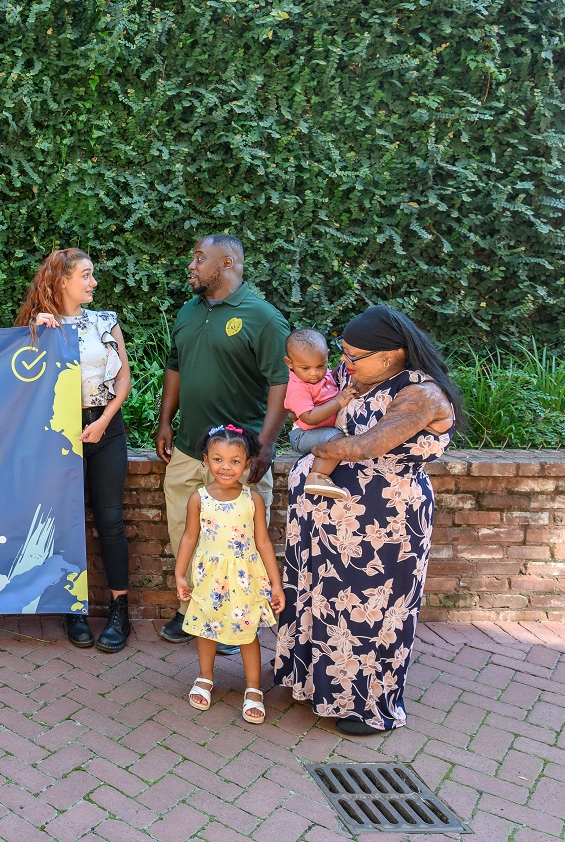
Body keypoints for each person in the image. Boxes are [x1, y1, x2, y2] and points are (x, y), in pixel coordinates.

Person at [273, 305, 462, 735]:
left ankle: (367, 707)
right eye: (343, 354)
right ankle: (311, 683)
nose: (345, 364)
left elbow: (366, 447)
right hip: (327, 518)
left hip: (382, 523)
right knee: (318, 596)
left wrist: (314, 447)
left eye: (354, 356)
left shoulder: (421, 395)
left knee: (369, 610)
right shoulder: (361, 376)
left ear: (392, 354)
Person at [155, 235, 290, 654]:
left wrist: (265, 445)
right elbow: (174, 368)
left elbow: (280, 383)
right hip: (190, 451)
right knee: (185, 530)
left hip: (238, 455)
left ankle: (235, 619)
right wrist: (165, 421)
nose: (191, 266)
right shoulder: (189, 311)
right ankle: (192, 608)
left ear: (227, 262)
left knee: (240, 539)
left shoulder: (263, 318)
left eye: (199, 258)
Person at [17, 248, 133, 653]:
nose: (93, 282)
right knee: (66, 519)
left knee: (110, 519)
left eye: (92, 275)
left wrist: (102, 422)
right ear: (62, 280)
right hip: (58, 432)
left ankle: (121, 610)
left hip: (106, 427)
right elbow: (21, 381)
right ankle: (74, 607)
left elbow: (124, 379)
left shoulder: (106, 322)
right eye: (85, 275)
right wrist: (34, 330)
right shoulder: (39, 327)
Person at [174, 425, 285, 723]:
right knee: (207, 628)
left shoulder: (252, 500)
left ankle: (252, 688)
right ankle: (205, 677)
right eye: (218, 459)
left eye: (235, 461)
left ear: (247, 464)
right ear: (206, 460)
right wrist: (180, 574)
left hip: (245, 577)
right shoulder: (199, 498)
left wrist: (276, 584)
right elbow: (188, 538)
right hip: (209, 577)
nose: (226, 467)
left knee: (248, 633)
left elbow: (263, 542)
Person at [282, 328, 357, 498]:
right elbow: (308, 417)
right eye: (305, 368)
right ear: (289, 363)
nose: (314, 373)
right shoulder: (298, 387)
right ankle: (317, 477)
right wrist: (338, 401)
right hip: (303, 435)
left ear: (327, 356)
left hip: (317, 432)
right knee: (337, 440)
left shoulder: (324, 375)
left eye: (320, 366)